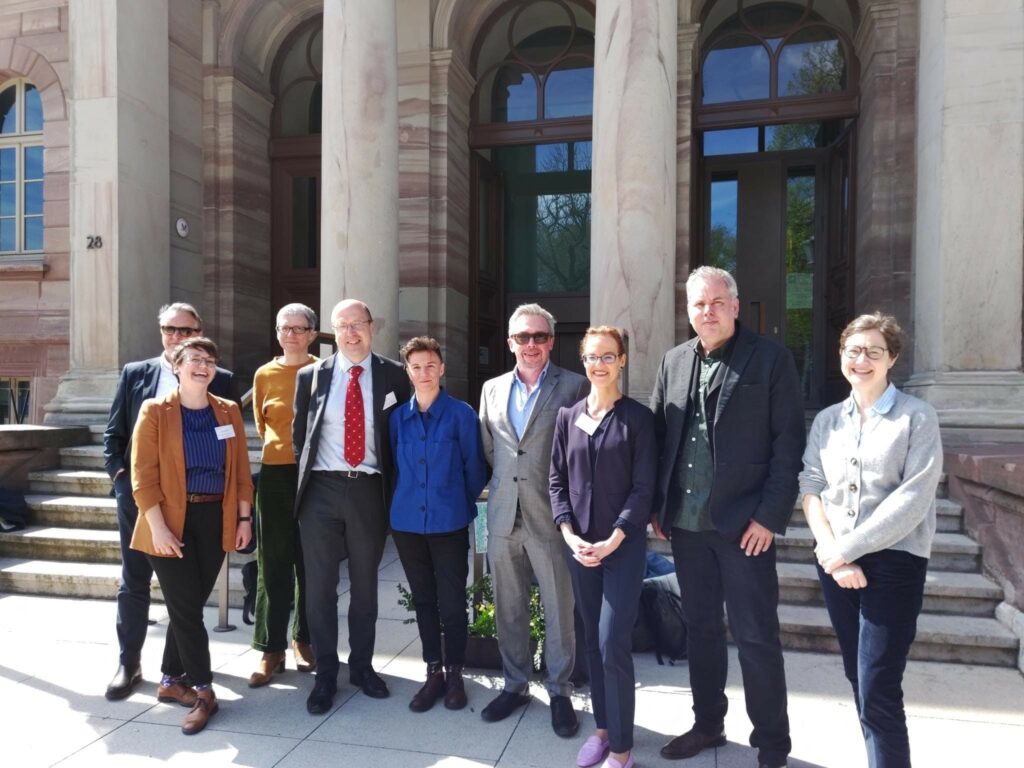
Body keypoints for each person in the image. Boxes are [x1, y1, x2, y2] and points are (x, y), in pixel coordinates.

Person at [651, 267, 805, 768]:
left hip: (746, 529)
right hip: (689, 527)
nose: (707, 311)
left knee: (757, 636)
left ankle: (772, 745)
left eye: (717, 302)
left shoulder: (771, 360)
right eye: (698, 304)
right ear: (689, 310)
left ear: (736, 305)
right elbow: (659, 439)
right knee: (700, 630)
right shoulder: (673, 361)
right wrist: (658, 507)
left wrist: (769, 517)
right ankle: (708, 724)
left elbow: (788, 447)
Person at [798, 313, 942, 768]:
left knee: (878, 686)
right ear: (842, 356)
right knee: (859, 679)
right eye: (853, 350)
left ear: (891, 359)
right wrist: (830, 551)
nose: (861, 360)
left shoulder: (917, 417)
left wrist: (846, 549)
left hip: (895, 563)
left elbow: (914, 498)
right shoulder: (826, 421)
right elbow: (811, 484)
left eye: (873, 352)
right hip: (835, 563)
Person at [102, 302, 235, 701]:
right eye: (170, 329)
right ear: (160, 330)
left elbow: (227, 442)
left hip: (199, 503)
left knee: (188, 593)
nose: (177, 336)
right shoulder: (136, 374)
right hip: (143, 500)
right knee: (135, 580)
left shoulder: (221, 379)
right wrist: (124, 484)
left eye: (186, 330)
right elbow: (114, 436)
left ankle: (176, 671)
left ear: (199, 331)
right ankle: (129, 663)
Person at [129, 336, 253, 735]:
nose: (203, 366)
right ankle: (204, 690)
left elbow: (241, 473)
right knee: (186, 609)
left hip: (215, 518)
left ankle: (169, 680)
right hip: (168, 521)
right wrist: (158, 527)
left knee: (189, 605)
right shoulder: (155, 411)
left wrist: (244, 519)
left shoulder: (228, 411)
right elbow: (142, 476)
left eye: (210, 360)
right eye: (194, 359)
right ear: (177, 366)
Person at [293, 299, 411, 715]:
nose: (350, 333)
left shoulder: (395, 375)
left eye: (357, 324)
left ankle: (361, 666)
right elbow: (298, 438)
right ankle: (326, 671)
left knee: (364, 586)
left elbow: (402, 434)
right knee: (320, 586)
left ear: (372, 326)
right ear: (332, 332)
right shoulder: (310, 376)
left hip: (369, 491)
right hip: (321, 491)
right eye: (341, 326)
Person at [479, 303, 588, 737]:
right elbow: (490, 447)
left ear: (551, 341)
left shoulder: (575, 386)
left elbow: (581, 453)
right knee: (508, 606)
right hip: (504, 512)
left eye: (539, 337)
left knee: (560, 606)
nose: (531, 345)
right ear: (510, 343)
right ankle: (515, 684)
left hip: (552, 515)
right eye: (522, 337)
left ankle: (560, 691)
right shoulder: (490, 388)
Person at [549, 327, 656, 768]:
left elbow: (644, 486)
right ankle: (602, 729)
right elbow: (556, 480)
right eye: (592, 357)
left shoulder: (638, 418)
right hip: (580, 548)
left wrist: (616, 536)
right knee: (591, 640)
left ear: (622, 360)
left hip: (622, 547)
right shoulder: (567, 416)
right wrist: (568, 532)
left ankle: (622, 749)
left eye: (608, 356)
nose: (599, 364)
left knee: (613, 643)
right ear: (583, 361)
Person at [389, 337, 488, 712]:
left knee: (450, 602)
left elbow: (475, 469)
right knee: (424, 600)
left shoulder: (462, 414)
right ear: (408, 372)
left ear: (442, 368)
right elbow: (396, 469)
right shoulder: (398, 418)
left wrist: (453, 503)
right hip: (407, 524)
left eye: (430, 365)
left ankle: (455, 673)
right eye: (416, 367)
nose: (424, 373)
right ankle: (433, 672)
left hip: (448, 523)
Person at [247, 303, 320, 687]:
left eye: (298, 328)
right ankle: (269, 647)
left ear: (312, 333)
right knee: (273, 561)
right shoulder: (264, 374)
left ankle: (303, 638)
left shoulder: (322, 372)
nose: (290, 334)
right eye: (284, 328)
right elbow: (263, 425)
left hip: (315, 473)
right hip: (275, 473)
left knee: (310, 560)